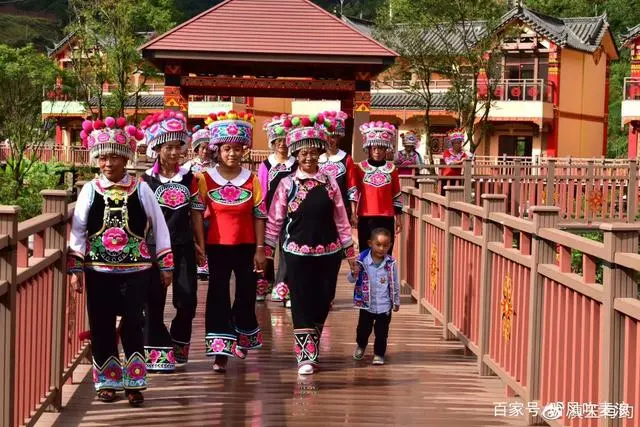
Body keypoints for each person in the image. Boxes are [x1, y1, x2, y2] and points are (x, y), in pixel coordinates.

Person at [68, 117, 174, 406]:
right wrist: (75, 268)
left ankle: (135, 381)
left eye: (113, 156)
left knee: (132, 323)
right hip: (98, 268)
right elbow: (77, 230)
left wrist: (165, 264)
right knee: (101, 323)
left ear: (125, 157)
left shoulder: (141, 189)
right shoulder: (90, 190)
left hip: (136, 269)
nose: (107, 163)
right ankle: (107, 381)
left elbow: (160, 227)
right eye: (102, 156)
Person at [265, 113, 357, 375]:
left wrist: (350, 253)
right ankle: (306, 354)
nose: (308, 158)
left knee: (325, 298)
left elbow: (341, 219)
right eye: (303, 153)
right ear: (296, 154)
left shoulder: (329, 183)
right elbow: (274, 220)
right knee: (302, 301)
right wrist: (267, 251)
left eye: (313, 152)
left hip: (329, 252)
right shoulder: (286, 184)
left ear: (320, 152)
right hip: (296, 252)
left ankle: (313, 338)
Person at [192, 110, 266, 373]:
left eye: (237, 149)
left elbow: (259, 215)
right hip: (217, 246)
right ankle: (220, 350)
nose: (232, 153)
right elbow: (197, 213)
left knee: (247, 293)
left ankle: (241, 335)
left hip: (247, 245)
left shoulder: (253, 179)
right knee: (218, 294)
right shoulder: (204, 178)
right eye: (226, 149)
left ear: (244, 150)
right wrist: (199, 245)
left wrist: (260, 249)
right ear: (218, 150)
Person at [139, 111, 205, 371]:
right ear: (157, 149)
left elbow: (197, 214)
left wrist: (201, 244)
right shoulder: (145, 180)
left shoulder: (192, 179)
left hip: (184, 246)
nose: (176, 151)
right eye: (169, 147)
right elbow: (141, 218)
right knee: (153, 300)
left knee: (187, 301)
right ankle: (157, 348)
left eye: (179, 146)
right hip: (154, 248)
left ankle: (178, 342)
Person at [256, 114, 296, 306]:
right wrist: (261, 214)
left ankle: (284, 287)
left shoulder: (296, 164)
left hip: (291, 213)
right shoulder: (265, 165)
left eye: (285, 141)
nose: (282, 145)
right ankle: (264, 284)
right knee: (267, 249)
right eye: (278, 141)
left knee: (287, 249)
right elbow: (262, 191)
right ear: (272, 142)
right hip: (269, 214)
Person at [348, 121, 403, 253]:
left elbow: (396, 195)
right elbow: (354, 192)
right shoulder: (360, 168)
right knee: (365, 252)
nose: (377, 151)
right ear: (369, 149)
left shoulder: (392, 169)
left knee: (385, 252)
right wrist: (353, 213)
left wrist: (398, 219)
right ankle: (365, 274)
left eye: (380, 148)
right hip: (366, 217)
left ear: (386, 149)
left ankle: (384, 275)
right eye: (374, 148)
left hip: (387, 217)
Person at [349, 228, 399, 366]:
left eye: (386, 245)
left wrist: (396, 301)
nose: (382, 248)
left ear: (390, 245)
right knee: (363, 329)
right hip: (366, 304)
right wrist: (354, 272)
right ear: (370, 243)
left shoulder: (391, 263)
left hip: (384, 305)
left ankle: (379, 354)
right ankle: (361, 345)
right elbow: (351, 279)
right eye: (378, 244)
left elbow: (395, 283)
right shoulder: (361, 260)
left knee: (382, 333)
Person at [184, 123, 215, 281]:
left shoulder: (216, 167)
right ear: (196, 149)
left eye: (208, 147)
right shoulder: (188, 167)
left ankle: (207, 262)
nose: (205, 150)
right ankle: (198, 262)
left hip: (211, 206)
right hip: (194, 206)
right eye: (202, 147)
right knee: (196, 233)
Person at [318, 110, 356, 222]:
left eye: (334, 136)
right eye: (327, 136)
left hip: (342, 209)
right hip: (320, 209)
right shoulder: (317, 159)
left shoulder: (346, 158)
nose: (330, 140)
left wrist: (354, 213)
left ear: (339, 137)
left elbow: (352, 188)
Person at [441, 129, 469, 194]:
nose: (459, 145)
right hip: (446, 178)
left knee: (456, 196)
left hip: (457, 178)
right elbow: (449, 163)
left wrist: (466, 151)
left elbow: (470, 160)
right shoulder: (447, 152)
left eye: (460, 143)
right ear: (453, 143)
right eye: (457, 143)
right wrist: (461, 161)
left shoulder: (463, 154)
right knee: (444, 197)